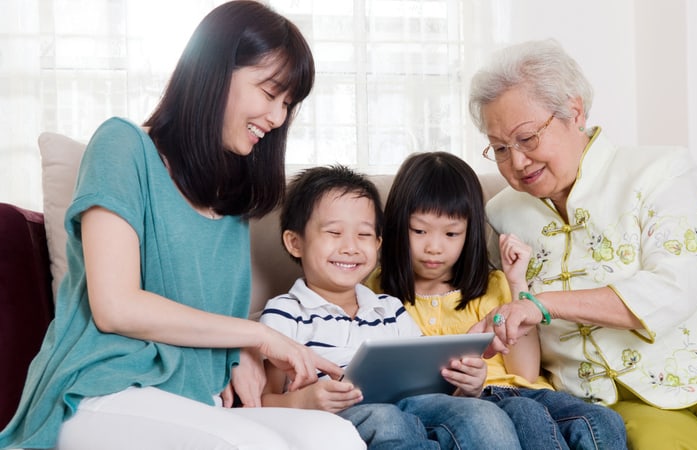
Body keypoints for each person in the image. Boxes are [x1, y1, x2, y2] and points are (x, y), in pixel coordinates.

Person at [0, 2, 366, 449]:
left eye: (288, 104)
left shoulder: (232, 196)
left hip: (193, 401)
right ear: (214, 71)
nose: (277, 118)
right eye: (270, 93)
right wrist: (257, 336)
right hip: (96, 391)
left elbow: (213, 320)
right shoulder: (122, 145)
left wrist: (239, 355)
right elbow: (116, 306)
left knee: (336, 438)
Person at [466, 38, 697, 449]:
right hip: (611, 397)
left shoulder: (660, 170)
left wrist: (543, 304)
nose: (516, 162)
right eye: (500, 148)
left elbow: (674, 287)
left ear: (574, 111)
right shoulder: (499, 214)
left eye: (527, 138)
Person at [366, 151, 627, 450]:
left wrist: (517, 282)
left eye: (452, 233)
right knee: (526, 414)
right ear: (398, 225)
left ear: (470, 232)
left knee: (602, 420)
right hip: (477, 402)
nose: (434, 247)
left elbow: (525, 373)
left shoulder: (492, 284)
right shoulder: (379, 293)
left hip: (528, 393)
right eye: (419, 231)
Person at [259, 164, 524, 450]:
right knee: (388, 420)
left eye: (363, 235)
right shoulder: (285, 313)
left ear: (378, 243)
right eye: (334, 233)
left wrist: (467, 387)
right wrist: (304, 401)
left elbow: (433, 388)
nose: (351, 247)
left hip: (410, 407)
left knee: (484, 414)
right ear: (295, 243)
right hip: (342, 414)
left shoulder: (389, 308)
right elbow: (263, 398)